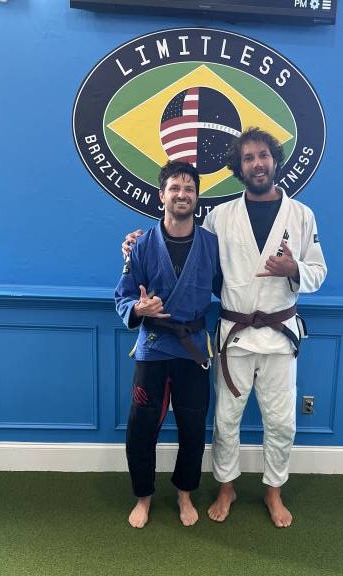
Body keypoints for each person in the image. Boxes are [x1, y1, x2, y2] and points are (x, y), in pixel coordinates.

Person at [122, 128, 327, 528]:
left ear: (275, 160)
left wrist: (295, 269)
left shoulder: (302, 215)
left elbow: (318, 272)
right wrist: (134, 245)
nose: (257, 163)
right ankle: (226, 487)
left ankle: (273, 490)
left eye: (263, 155)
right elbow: (186, 248)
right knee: (226, 420)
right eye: (248, 157)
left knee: (282, 421)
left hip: (280, 334)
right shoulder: (220, 217)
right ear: (239, 166)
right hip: (233, 334)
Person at [115, 161, 219, 529]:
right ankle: (143, 497)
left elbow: (231, 287)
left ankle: (184, 494)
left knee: (193, 427)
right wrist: (138, 309)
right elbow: (123, 296)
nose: (182, 194)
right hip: (154, 347)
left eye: (189, 189)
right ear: (162, 195)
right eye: (175, 188)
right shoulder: (141, 244)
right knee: (141, 427)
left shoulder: (212, 245)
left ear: (197, 197)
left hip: (192, 348)